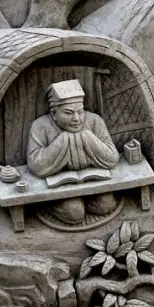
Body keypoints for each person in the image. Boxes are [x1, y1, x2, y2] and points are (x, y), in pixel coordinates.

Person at [27, 79, 120, 224]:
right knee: (74, 212)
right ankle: (48, 205)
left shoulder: (94, 121)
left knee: (106, 205)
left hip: (93, 181)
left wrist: (88, 137)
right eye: (69, 113)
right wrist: (63, 140)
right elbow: (35, 164)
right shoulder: (40, 126)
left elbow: (112, 158)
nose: (77, 119)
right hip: (58, 187)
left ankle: (84, 202)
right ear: (54, 113)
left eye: (80, 111)